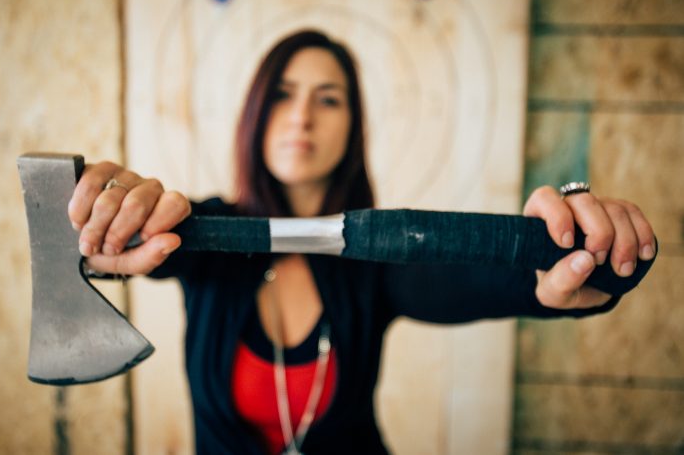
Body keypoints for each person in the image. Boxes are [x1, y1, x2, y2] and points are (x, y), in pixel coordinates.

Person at [68, 30, 656, 454]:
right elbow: (116, 247)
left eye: (329, 98)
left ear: (352, 127)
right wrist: (104, 216)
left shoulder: (381, 261)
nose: (302, 116)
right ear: (255, 113)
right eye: (283, 93)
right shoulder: (198, 233)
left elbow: (520, 281)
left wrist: (575, 255)